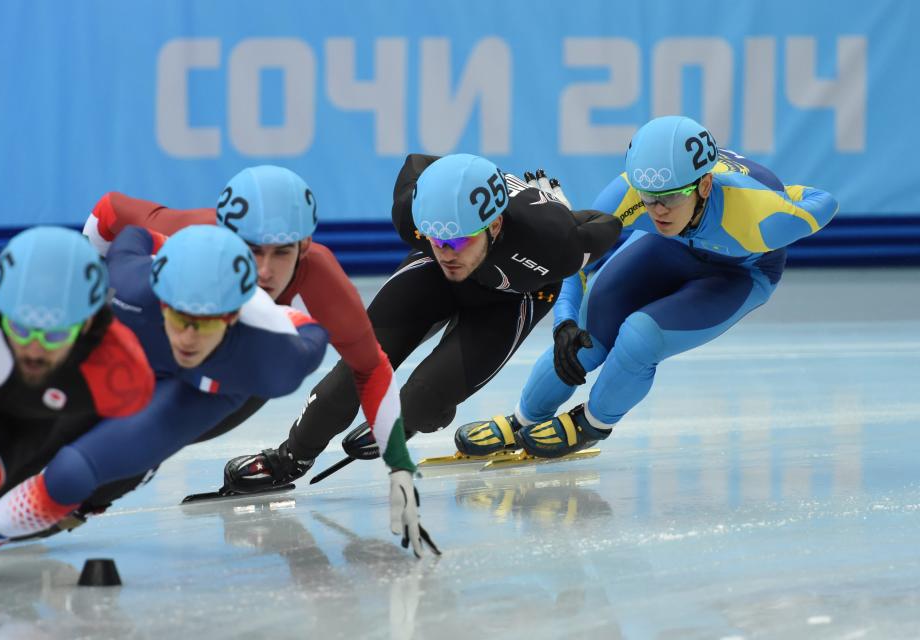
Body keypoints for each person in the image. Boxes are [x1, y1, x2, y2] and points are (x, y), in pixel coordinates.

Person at [82, 165, 436, 556]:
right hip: (175, 328)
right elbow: (109, 210)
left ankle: (85, 496)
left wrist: (399, 465)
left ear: (304, 246)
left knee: (151, 439)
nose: (265, 272)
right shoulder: (191, 234)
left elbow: (370, 368)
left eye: (282, 252)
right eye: (251, 251)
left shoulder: (320, 277)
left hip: (235, 357)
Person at [454, 115, 840, 458]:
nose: (657, 210)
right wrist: (564, 323)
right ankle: (524, 418)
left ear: (705, 185)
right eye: (648, 198)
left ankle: (591, 423)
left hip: (738, 273)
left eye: (670, 198)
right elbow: (574, 260)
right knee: (584, 333)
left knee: (640, 337)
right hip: (670, 248)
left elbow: (825, 200)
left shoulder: (763, 218)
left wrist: (785, 196)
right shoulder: (626, 194)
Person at [227, 153, 623, 483]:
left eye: (459, 240)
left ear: (496, 224)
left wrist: (562, 213)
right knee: (351, 376)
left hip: (513, 298)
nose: (448, 251)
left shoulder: (552, 241)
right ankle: (288, 457)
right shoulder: (414, 216)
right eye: (437, 239)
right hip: (432, 279)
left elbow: (607, 225)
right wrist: (444, 233)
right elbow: (417, 164)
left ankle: (409, 419)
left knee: (421, 402)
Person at [0, 224, 328, 554]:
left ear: (232, 316)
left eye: (204, 324)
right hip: (141, 365)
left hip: (209, 389)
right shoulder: (132, 286)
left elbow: (314, 335)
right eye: (179, 318)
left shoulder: (274, 362)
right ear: (162, 302)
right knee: (49, 431)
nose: (187, 338)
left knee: (75, 472)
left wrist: (275, 314)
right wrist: (171, 246)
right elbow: (128, 229)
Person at [0, 227, 154, 550]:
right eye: (20, 328)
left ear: (87, 324)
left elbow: (130, 453)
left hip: (27, 424)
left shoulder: (121, 375)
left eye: (54, 335)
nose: (34, 350)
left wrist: (73, 503)